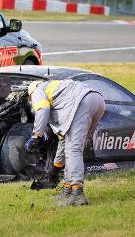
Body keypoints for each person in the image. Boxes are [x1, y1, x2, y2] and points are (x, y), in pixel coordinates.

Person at [24, 79, 105, 207]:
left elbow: (43, 109)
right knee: (72, 147)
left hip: (81, 102)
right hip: (97, 100)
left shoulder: (38, 90)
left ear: (31, 95)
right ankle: (67, 190)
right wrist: (55, 168)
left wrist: (36, 135)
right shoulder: (60, 98)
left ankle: (77, 194)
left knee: (73, 150)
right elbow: (63, 143)